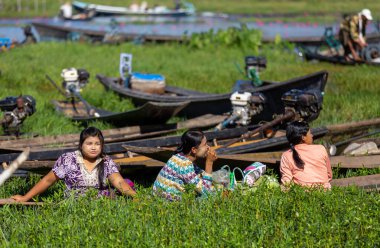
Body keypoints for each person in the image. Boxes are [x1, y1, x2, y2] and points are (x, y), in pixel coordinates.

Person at [11, 127, 136, 202]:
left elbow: (119, 181)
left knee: (126, 184)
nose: (93, 148)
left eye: (97, 144)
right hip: (73, 205)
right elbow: (47, 181)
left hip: (101, 205)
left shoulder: (106, 161)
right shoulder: (68, 159)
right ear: (81, 145)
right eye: (89, 143)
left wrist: (137, 198)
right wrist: (25, 197)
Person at [153, 130, 217, 201]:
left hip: (158, 195)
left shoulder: (178, 157)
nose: (208, 147)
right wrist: (209, 163)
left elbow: (199, 174)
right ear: (194, 150)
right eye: (205, 145)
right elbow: (206, 191)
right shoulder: (184, 165)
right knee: (210, 196)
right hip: (167, 202)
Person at [280, 121, 332, 189]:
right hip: (325, 192)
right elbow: (329, 175)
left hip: (302, 194)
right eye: (310, 133)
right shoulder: (321, 149)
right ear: (303, 137)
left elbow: (287, 183)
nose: (312, 135)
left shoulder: (286, 155)